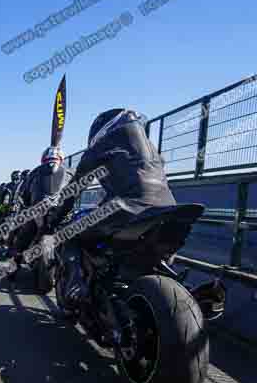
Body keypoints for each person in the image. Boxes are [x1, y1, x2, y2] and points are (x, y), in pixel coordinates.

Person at [53, 108, 176, 317]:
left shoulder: (103, 145)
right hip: (168, 207)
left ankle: (75, 287)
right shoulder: (151, 149)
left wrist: (55, 217)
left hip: (129, 208)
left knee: (69, 235)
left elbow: (73, 190)